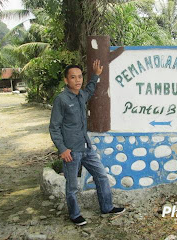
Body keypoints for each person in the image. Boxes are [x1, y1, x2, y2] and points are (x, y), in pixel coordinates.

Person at [49, 60, 125, 226]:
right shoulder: (61, 100)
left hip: (86, 147)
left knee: (101, 176)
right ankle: (75, 215)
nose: (77, 80)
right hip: (71, 151)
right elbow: (54, 127)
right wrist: (62, 149)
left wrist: (96, 75)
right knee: (72, 186)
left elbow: (90, 90)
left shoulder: (81, 95)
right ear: (66, 80)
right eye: (73, 77)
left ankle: (107, 207)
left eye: (79, 77)